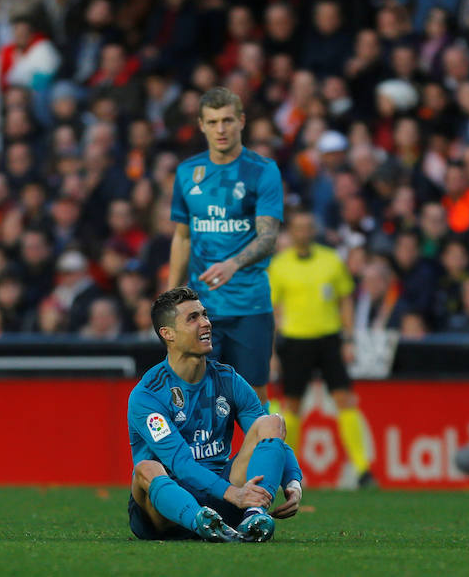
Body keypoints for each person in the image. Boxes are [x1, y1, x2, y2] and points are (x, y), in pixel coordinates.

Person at [127, 287, 302, 543]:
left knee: (272, 421)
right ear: (168, 334)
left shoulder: (228, 380)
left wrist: (293, 481)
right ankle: (201, 521)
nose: (206, 323)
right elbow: (181, 464)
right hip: (167, 511)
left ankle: (254, 516)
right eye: (193, 318)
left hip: (223, 497)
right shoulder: (148, 395)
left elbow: (271, 436)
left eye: (205, 315)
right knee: (146, 468)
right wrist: (234, 493)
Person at [168, 87, 283, 407]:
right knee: (196, 400)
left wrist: (233, 264)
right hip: (200, 311)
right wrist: (170, 300)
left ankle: (262, 458)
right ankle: (207, 460)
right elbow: (182, 237)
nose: (221, 129)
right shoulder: (188, 173)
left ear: (242, 121)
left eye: (228, 120)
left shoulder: (262, 171)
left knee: (254, 400)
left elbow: (268, 237)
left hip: (250, 307)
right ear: (201, 125)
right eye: (213, 121)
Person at [268, 211, 376, 488]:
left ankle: (363, 470)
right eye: (298, 228)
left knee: (345, 399)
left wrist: (349, 339)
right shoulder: (279, 266)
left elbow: (346, 300)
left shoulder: (331, 260)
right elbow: (272, 312)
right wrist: (271, 353)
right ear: (291, 232)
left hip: (329, 339)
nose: (303, 233)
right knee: (292, 405)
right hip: (295, 341)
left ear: (313, 230)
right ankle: (288, 471)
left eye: (307, 227)